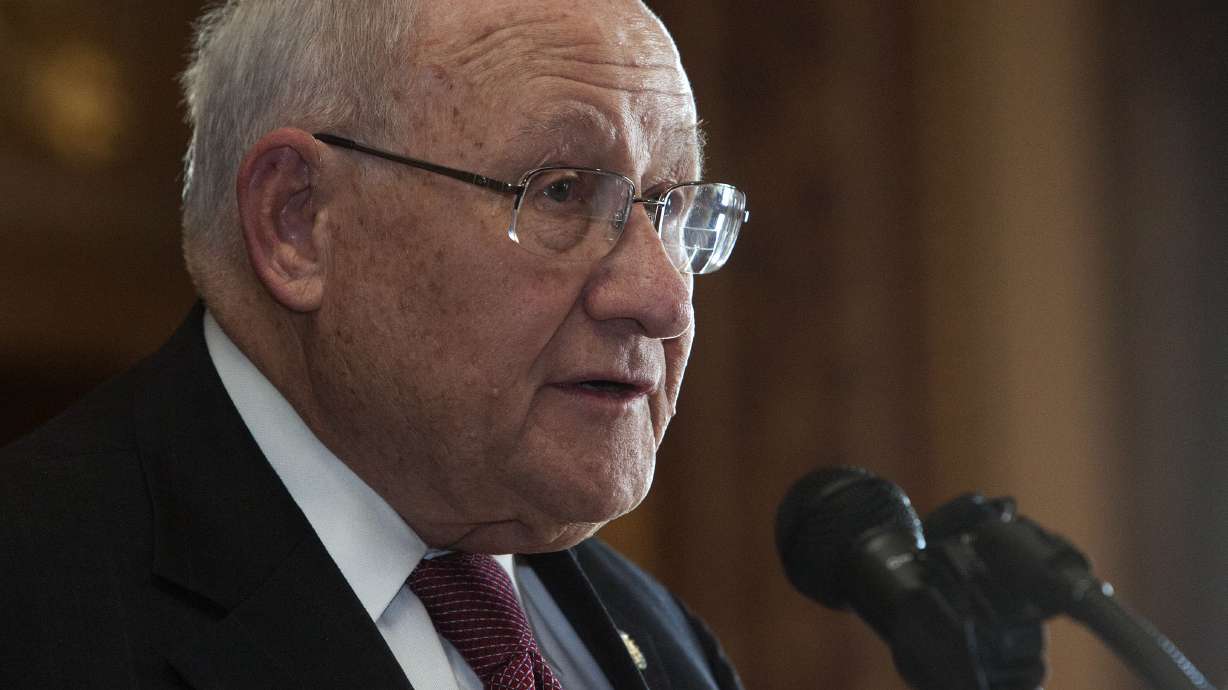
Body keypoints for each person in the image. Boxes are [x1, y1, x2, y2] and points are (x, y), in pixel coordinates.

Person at [0, 1, 748, 688]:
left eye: (674, 206)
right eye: (560, 192)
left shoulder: (664, 645)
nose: (663, 297)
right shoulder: (38, 603)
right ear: (298, 222)